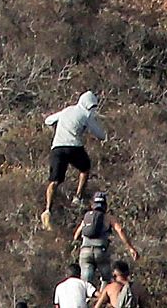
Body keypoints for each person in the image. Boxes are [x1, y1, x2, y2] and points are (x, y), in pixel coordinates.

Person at [41, 91, 106, 230]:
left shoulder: (67, 110)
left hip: (57, 148)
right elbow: (101, 135)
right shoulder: (86, 115)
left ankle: (47, 210)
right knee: (85, 169)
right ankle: (78, 197)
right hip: (74, 147)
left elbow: (48, 120)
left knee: (54, 181)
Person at [73, 191, 140, 289]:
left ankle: (87, 300)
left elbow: (76, 236)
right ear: (105, 205)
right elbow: (120, 230)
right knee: (106, 278)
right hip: (101, 251)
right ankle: (103, 299)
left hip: (85, 251)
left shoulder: (87, 217)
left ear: (93, 205)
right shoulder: (108, 218)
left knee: (86, 281)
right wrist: (130, 248)